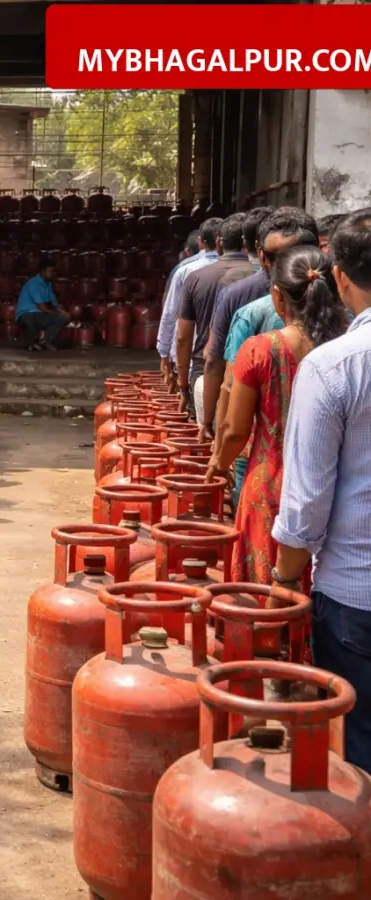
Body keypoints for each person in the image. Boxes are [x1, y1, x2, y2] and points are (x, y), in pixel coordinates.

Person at [272, 211, 371, 770]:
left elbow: (306, 500)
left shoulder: (334, 367)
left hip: (357, 593)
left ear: (339, 277)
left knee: (357, 744)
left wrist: (285, 579)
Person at [206, 245, 346, 589]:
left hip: (270, 483)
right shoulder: (346, 347)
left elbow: (234, 430)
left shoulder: (260, 350)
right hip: (337, 484)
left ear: (277, 296)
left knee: (264, 594)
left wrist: (218, 466)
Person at [207, 212, 319, 503]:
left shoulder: (254, 320)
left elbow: (230, 391)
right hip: (328, 472)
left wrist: (219, 458)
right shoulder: (348, 324)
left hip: (264, 462)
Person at [199, 208, 302, 440]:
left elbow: (226, 379)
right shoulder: (343, 316)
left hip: (259, 436)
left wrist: (216, 443)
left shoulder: (249, 312)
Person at [177, 213, 256, 420]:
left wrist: (183, 385)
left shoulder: (196, 278)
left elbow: (183, 337)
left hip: (204, 371)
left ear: (219, 243)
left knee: (205, 439)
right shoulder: (262, 279)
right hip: (251, 375)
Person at [158, 217, 222, 383]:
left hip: (194, 356)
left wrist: (165, 353)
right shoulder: (246, 271)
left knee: (193, 403)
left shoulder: (185, 270)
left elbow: (171, 314)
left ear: (200, 242)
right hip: (228, 359)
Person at [15, 257, 68, 351]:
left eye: (53, 271)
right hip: (26, 314)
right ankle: (35, 342)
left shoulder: (48, 285)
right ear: (43, 271)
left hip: (39, 314)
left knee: (61, 318)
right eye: (50, 271)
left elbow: (54, 304)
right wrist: (58, 313)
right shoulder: (33, 283)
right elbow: (42, 308)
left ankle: (44, 341)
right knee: (32, 320)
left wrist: (63, 312)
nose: (52, 273)